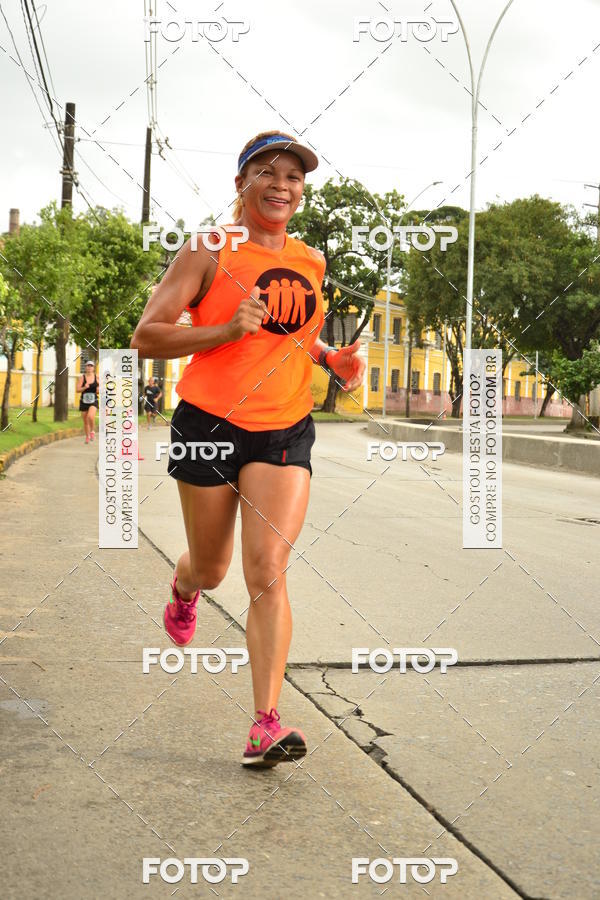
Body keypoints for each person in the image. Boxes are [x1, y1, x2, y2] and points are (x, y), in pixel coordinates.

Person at [130, 130, 364, 768]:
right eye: (268, 172)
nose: (282, 185)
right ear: (241, 183)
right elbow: (146, 336)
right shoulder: (207, 250)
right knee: (214, 568)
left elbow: (295, 334)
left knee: (268, 572)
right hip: (208, 423)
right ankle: (185, 588)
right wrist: (224, 329)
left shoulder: (310, 260)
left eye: (294, 176)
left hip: (284, 427)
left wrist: (331, 358)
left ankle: (266, 722)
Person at [76, 360, 99, 444]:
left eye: (91, 366)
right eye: (88, 366)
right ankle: (87, 437)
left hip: (94, 401)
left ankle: (92, 431)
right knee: (85, 421)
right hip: (84, 401)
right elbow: (77, 390)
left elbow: (102, 387)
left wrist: (99, 389)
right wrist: (84, 387)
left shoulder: (97, 377)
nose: (89, 367)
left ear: (93, 368)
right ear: (85, 367)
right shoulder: (82, 378)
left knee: (90, 416)